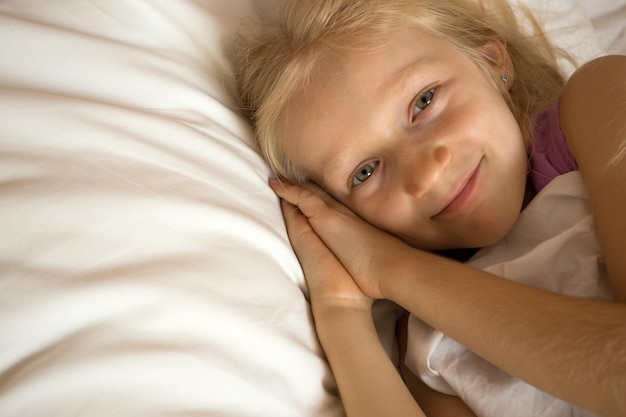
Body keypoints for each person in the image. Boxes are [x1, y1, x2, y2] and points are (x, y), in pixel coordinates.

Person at [234, 0, 626, 416]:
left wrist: (390, 268)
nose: (425, 176)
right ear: (343, 212)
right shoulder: (425, 345)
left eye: (423, 101)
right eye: (365, 172)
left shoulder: (599, 101)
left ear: (490, 61)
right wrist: (340, 310)